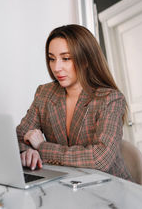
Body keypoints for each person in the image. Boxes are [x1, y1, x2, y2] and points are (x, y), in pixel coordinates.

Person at [16, 24, 132, 181]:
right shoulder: (44, 93)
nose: (56, 68)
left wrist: (42, 148)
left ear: (85, 60)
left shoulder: (110, 99)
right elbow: (20, 135)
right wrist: (28, 152)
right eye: (52, 59)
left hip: (108, 188)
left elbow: (100, 159)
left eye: (66, 58)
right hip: (64, 183)